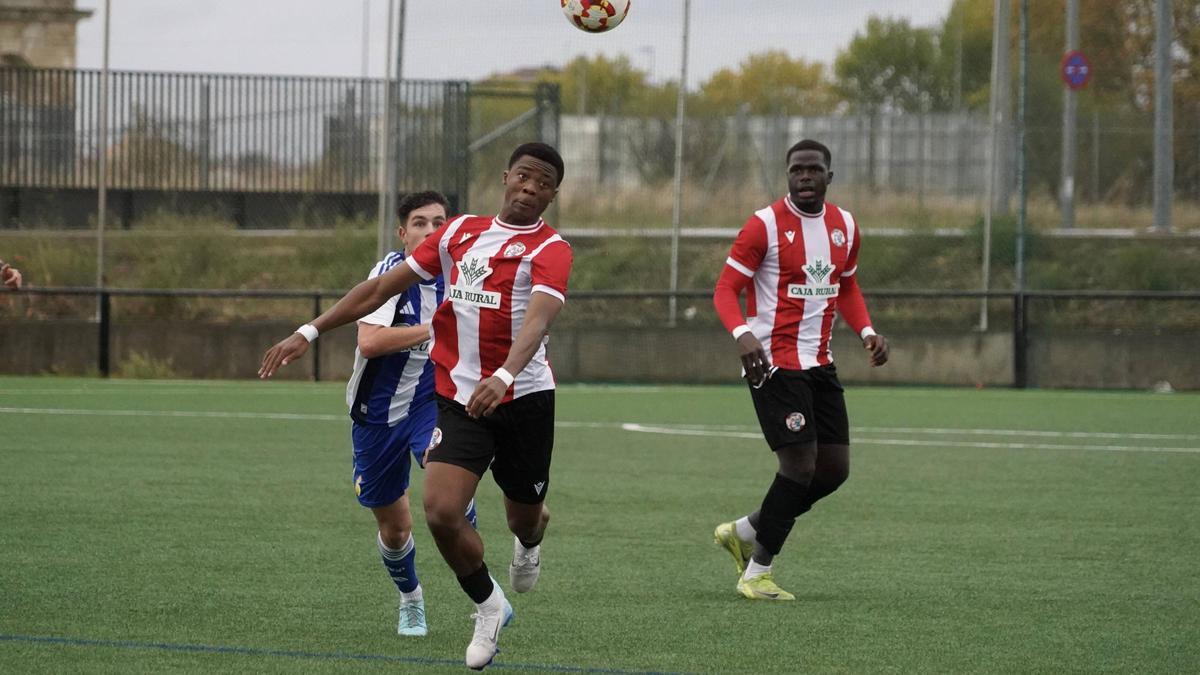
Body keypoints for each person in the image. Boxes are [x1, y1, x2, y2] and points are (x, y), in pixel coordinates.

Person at [260, 142, 573, 670]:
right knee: (441, 512)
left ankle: (529, 541)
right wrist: (310, 330)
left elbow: (539, 320)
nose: (529, 188)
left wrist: (503, 375)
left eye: (542, 183)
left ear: (552, 195)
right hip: (456, 399)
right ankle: (489, 606)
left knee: (524, 516)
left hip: (523, 399)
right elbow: (382, 286)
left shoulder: (551, 250)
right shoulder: (459, 234)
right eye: (523, 176)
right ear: (505, 177)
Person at [711, 139, 889, 601]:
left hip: (820, 364)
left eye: (813, 170)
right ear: (787, 175)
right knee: (799, 465)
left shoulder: (845, 226)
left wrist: (867, 331)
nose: (804, 177)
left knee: (834, 470)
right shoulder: (764, 226)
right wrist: (741, 334)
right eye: (796, 170)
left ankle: (748, 529)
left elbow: (845, 287)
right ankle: (756, 573)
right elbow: (726, 290)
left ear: (829, 175)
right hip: (772, 364)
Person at [344, 190, 478, 638]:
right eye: (420, 223)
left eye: (439, 223)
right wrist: (434, 328)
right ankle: (411, 598)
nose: (431, 231)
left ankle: (484, 597)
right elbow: (369, 341)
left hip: (428, 405)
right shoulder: (389, 273)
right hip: (376, 415)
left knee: (450, 491)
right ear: (403, 234)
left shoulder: (460, 275)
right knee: (396, 529)